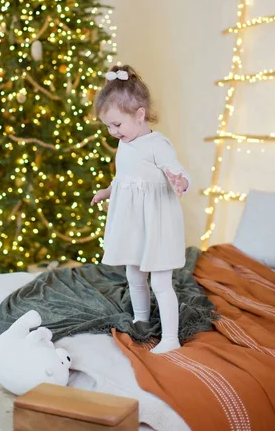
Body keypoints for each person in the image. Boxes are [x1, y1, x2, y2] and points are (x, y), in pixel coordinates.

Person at [91, 64, 190, 354]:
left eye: (117, 125)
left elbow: (178, 172)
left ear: (140, 115)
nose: (112, 132)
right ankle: (141, 320)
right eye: (108, 126)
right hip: (135, 225)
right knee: (134, 274)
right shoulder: (126, 143)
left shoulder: (156, 145)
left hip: (156, 224)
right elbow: (124, 178)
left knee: (160, 280)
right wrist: (108, 191)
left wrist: (180, 182)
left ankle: (171, 339)